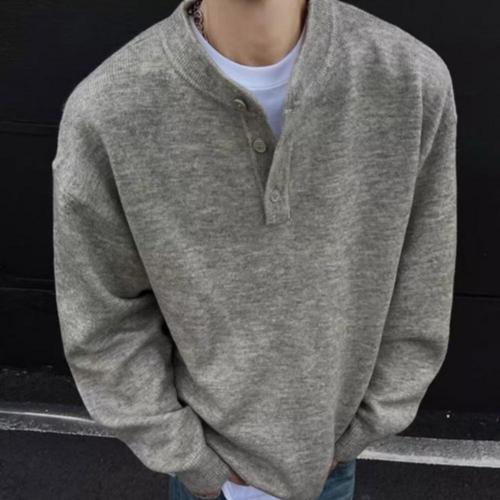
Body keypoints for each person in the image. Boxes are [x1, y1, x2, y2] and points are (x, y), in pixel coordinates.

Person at [51, 0, 458, 499]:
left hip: (332, 461)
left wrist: (365, 426)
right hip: (206, 475)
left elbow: (423, 282)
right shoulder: (109, 111)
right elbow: (105, 321)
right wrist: (189, 458)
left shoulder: (410, 82)